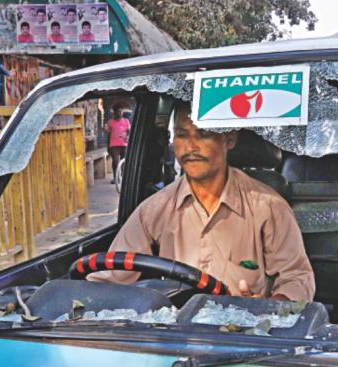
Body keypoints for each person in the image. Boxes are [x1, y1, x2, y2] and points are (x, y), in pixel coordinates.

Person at [89, 103, 315, 301]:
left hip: (243, 335)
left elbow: (296, 277)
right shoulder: (155, 209)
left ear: (229, 139)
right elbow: (111, 276)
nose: (190, 147)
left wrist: (271, 304)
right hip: (176, 333)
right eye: (181, 134)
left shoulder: (268, 207)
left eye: (204, 134)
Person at [105, 105, 130, 184]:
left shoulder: (126, 121)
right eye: (118, 111)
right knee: (115, 161)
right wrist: (108, 146)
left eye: (121, 111)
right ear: (115, 113)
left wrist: (127, 138)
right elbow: (108, 135)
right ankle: (115, 178)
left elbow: (129, 132)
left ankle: (123, 176)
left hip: (124, 144)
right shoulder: (110, 122)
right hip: (114, 145)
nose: (120, 113)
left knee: (124, 161)